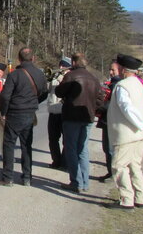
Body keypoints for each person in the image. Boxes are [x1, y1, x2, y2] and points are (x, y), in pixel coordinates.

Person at [107, 54, 143, 210]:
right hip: (139, 135)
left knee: (119, 166)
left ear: (122, 69)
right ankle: (141, 197)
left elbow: (127, 108)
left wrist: (142, 124)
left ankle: (127, 199)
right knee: (135, 166)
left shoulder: (123, 86)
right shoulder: (139, 84)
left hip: (127, 134)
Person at [0, 47, 48, 186]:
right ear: (33, 58)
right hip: (29, 113)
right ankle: (27, 177)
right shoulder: (39, 74)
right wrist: (33, 102)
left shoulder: (15, 74)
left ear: (19, 59)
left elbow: (5, 96)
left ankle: (8, 177)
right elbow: (44, 93)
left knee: (9, 145)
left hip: (14, 113)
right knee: (26, 146)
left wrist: (3, 112)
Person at [55, 53, 104, 193]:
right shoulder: (94, 78)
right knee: (83, 149)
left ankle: (76, 182)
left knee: (71, 149)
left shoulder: (70, 76)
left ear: (75, 62)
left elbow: (59, 92)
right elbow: (100, 99)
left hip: (72, 116)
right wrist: (93, 109)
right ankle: (85, 183)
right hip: (88, 117)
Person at [96, 61, 121, 182]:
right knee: (107, 149)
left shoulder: (118, 85)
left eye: (113, 70)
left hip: (112, 121)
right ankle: (110, 172)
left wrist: (97, 105)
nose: (110, 72)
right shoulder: (112, 84)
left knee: (111, 149)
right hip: (107, 120)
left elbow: (110, 105)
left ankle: (113, 174)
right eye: (110, 70)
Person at [46, 57, 71, 169]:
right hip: (53, 110)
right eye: (60, 65)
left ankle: (65, 162)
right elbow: (48, 89)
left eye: (64, 65)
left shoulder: (70, 77)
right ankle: (56, 161)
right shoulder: (55, 76)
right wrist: (50, 79)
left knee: (66, 139)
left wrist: (63, 80)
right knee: (52, 138)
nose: (60, 67)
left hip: (64, 111)